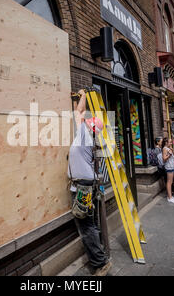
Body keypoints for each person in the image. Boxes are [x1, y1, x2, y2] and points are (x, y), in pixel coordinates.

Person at [68, 89, 111, 276]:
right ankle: (100, 256)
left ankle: (100, 263)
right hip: (86, 185)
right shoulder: (89, 139)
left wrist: (82, 94)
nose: (83, 122)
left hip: (83, 187)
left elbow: (79, 111)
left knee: (87, 227)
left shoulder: (84, 136)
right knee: (90, 224)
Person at [162, 138, 174, 204]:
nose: (171, 143)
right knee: (169, 182)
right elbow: (164, 159)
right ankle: (169, 197)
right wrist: (169, 154)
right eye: (170, 142)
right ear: (166, 143)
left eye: (171, 142)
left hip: (172, 166)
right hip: (169, 167)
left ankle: (170, 196)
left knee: (171, 182)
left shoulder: (168, 148)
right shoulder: (165, 149)